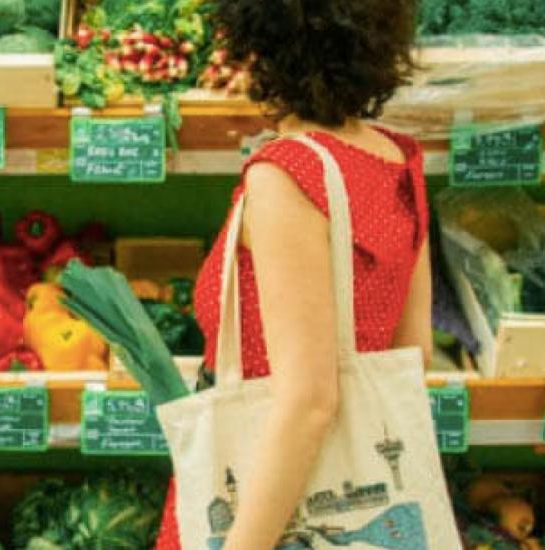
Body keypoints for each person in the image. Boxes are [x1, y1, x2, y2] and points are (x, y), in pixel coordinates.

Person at [155, 0, 427, 548]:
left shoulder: (287, 174)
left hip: (263, 500)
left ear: (262, 46)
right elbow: (410, 354)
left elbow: (308, 400)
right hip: (364, 493)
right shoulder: (399, 161)